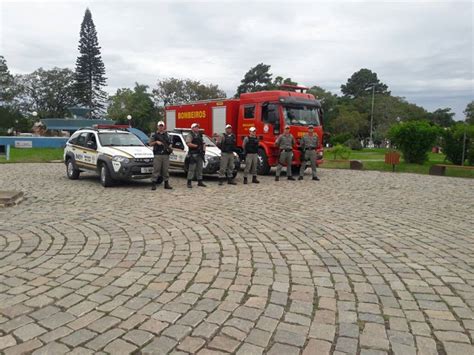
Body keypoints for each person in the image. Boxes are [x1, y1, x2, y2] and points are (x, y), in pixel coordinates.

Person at [149, 121, 173, 190]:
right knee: (156, 169)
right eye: (160, 126)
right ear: (157, 126)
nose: (161, 127)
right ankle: (153, 183)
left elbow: (170, 142)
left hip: (165, 154)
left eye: (162, 126)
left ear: (164, 126)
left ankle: (166, 183)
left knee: (165, 170)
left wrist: (170, 148)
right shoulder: (154, 134)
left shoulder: (167, 134)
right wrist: (156, 142)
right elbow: (150, 143)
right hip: (158, 154)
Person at [185, 123, 207, 188]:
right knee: (192, 169)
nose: (197, 128)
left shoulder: (200, 135)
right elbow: (188, 143)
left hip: (200, 154)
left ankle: (200, 181)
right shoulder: (190, 135)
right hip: (193, 153)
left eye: (197, 127)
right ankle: (189, 182)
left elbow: (203, 143)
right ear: (192, 128)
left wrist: (203, 150)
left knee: (200, 168)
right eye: (195, 127)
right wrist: (196, 146)